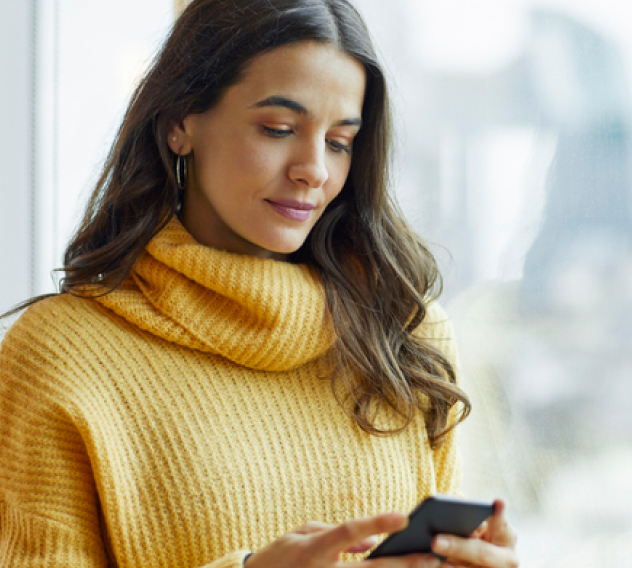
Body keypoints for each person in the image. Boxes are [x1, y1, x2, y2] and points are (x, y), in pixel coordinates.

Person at [0, 1, 518, 567]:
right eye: (278, 128)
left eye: (340, 141)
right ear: (180, 122)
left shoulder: (403, 334)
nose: (314, 169)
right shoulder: (61, 356)